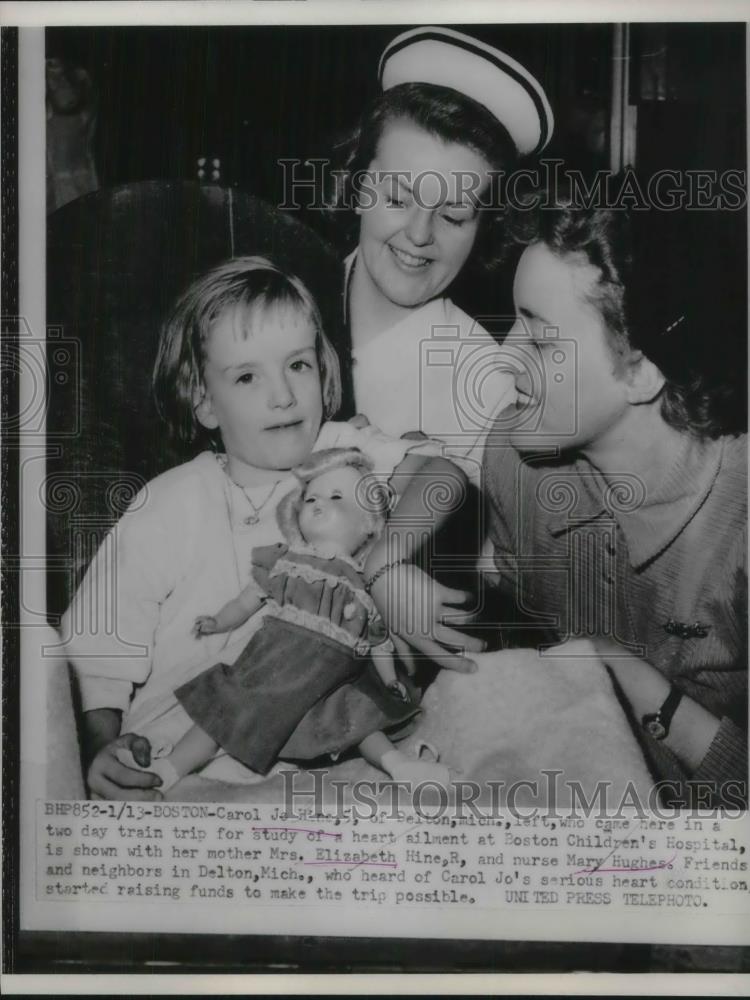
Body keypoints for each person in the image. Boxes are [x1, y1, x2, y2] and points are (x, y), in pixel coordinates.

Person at [62, 256, 478, 800]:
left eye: (298, 366)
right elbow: (100, 653)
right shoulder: (170, 502)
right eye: (247, 376)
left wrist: (383, 569)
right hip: (177, 766)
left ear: (323, 372)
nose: (282, 395)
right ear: (205, 401)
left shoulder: (343, 458)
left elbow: (444, 478)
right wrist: (103, 747)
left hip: (323, 764)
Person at [478, 200, 747, 807]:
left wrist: (618, 669)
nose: (504, 354)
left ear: (640, 373)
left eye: (541, 341)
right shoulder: (514, 460)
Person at [117, 446, 450, 791]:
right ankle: (171, 768)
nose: (319, 503)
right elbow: (247, 600)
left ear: (368, 525)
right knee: (224, 709)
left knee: (355, 717)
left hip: (333, 676)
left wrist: (389, 677)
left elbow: (378, 639)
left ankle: (400, 766)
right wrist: (220, 621)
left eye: (336, 496)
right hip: (273, 663)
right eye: (311, 498)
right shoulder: (288, 563)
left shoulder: (364, 586)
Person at [328, 26, 555, 475]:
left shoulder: (489, 393)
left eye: (453, 215)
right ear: (356, 187)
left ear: (483, 229)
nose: (418, 234)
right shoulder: (278, 302)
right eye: (397, 199)